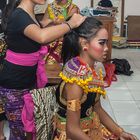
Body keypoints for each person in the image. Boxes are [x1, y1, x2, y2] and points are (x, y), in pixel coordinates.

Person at [0, 0, 85, 139]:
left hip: (26, 79)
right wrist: (70, 24)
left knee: (29, 128)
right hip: (14, 84)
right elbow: (41, 36)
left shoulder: (29, 13)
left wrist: (52, 25)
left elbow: (39, 38)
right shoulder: (19, 15)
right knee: (20, 132)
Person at [54, 17, 138, 140]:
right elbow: (72, 130)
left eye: (106, 42)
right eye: (101, 43)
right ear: (84, 44)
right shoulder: (76, 82)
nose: (107, 48)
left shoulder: (91, 70)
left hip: (91, 129)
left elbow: (97, 108)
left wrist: (119, 132)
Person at [40, 0, 80, 65]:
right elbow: (43, 26)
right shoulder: (50, 7)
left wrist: (51, 22)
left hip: (65, 41)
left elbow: (67, 27)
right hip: (49, 40)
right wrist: (54, 22)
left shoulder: (73, 8)